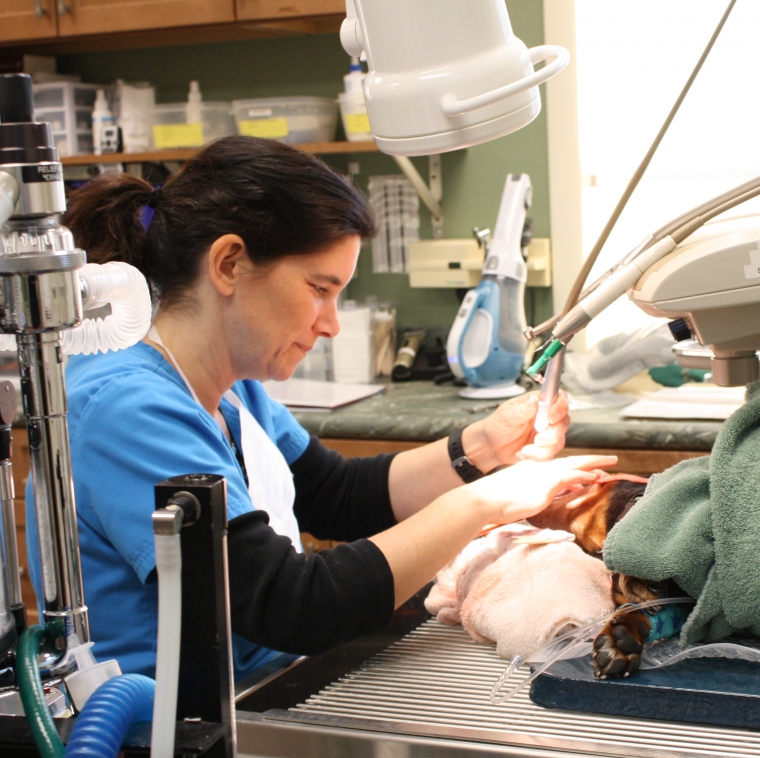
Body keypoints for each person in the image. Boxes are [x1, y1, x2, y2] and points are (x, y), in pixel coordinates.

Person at [32, 136, 614, 679]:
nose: (331, 324)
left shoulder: (231, 387)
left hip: (263, 687)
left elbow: (334, 493)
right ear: (230, 263)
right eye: (319, 289)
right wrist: (485, 502)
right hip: (162, 742)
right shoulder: (126, 408)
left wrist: (483, 448)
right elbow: (289, 603)